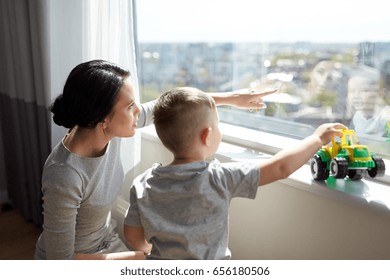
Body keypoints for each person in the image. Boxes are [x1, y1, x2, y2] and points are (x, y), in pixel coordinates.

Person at [34, 59, 276, 260]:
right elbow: (60, 261)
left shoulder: (105, 128)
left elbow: (166, 107)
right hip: (78, 262)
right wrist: (137, 258)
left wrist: (232, 99)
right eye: (130, 106)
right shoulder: (64, 174)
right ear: (103, 119)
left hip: (107, 245)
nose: (138, 110)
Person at [123, 86, 346, 260]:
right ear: (207, 136)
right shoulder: (218, 177)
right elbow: (280, 168)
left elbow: (133, 236)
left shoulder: (143, 183)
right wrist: (317, 138)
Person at [347, 73, 389, 137]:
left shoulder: (385, 116)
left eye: (364, 90)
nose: (356, 96)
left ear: (380, 93)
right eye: (352, 91)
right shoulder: (357, 116)